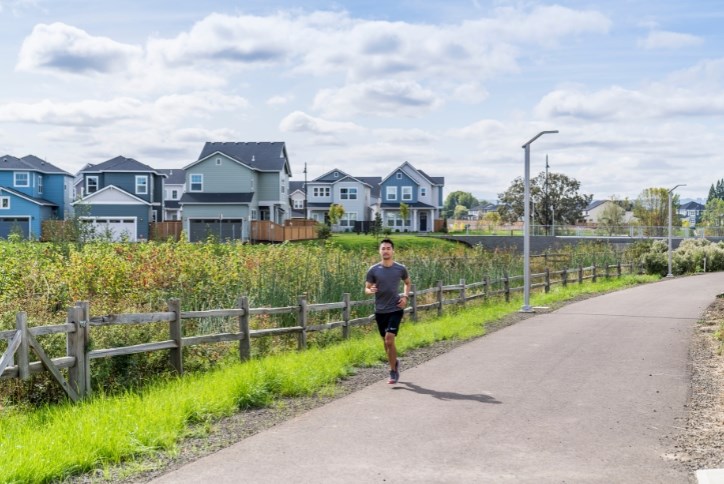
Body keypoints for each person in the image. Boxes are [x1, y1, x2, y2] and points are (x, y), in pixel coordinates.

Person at [365, 238, 412, 384]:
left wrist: (405, 296)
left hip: (395, 308)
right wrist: (370, 290)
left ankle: (392, 371)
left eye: (388, 248)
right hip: (380, 311)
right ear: (380, 251)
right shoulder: (373, 270)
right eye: (383, 248)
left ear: (393, 251)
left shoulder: (400, 268)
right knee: (386, 344)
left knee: (389, 339)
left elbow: (407, 283)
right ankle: (394, 363)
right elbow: (366, 289)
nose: (385, 251)